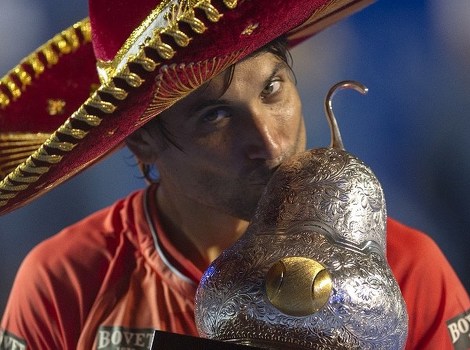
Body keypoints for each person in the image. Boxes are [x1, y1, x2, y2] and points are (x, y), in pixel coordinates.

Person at [0, 0, 468, 349]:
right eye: (216, 117)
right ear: (142, 141)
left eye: (272, 88)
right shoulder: (65, 284)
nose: (269, 142)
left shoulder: (408, 275)